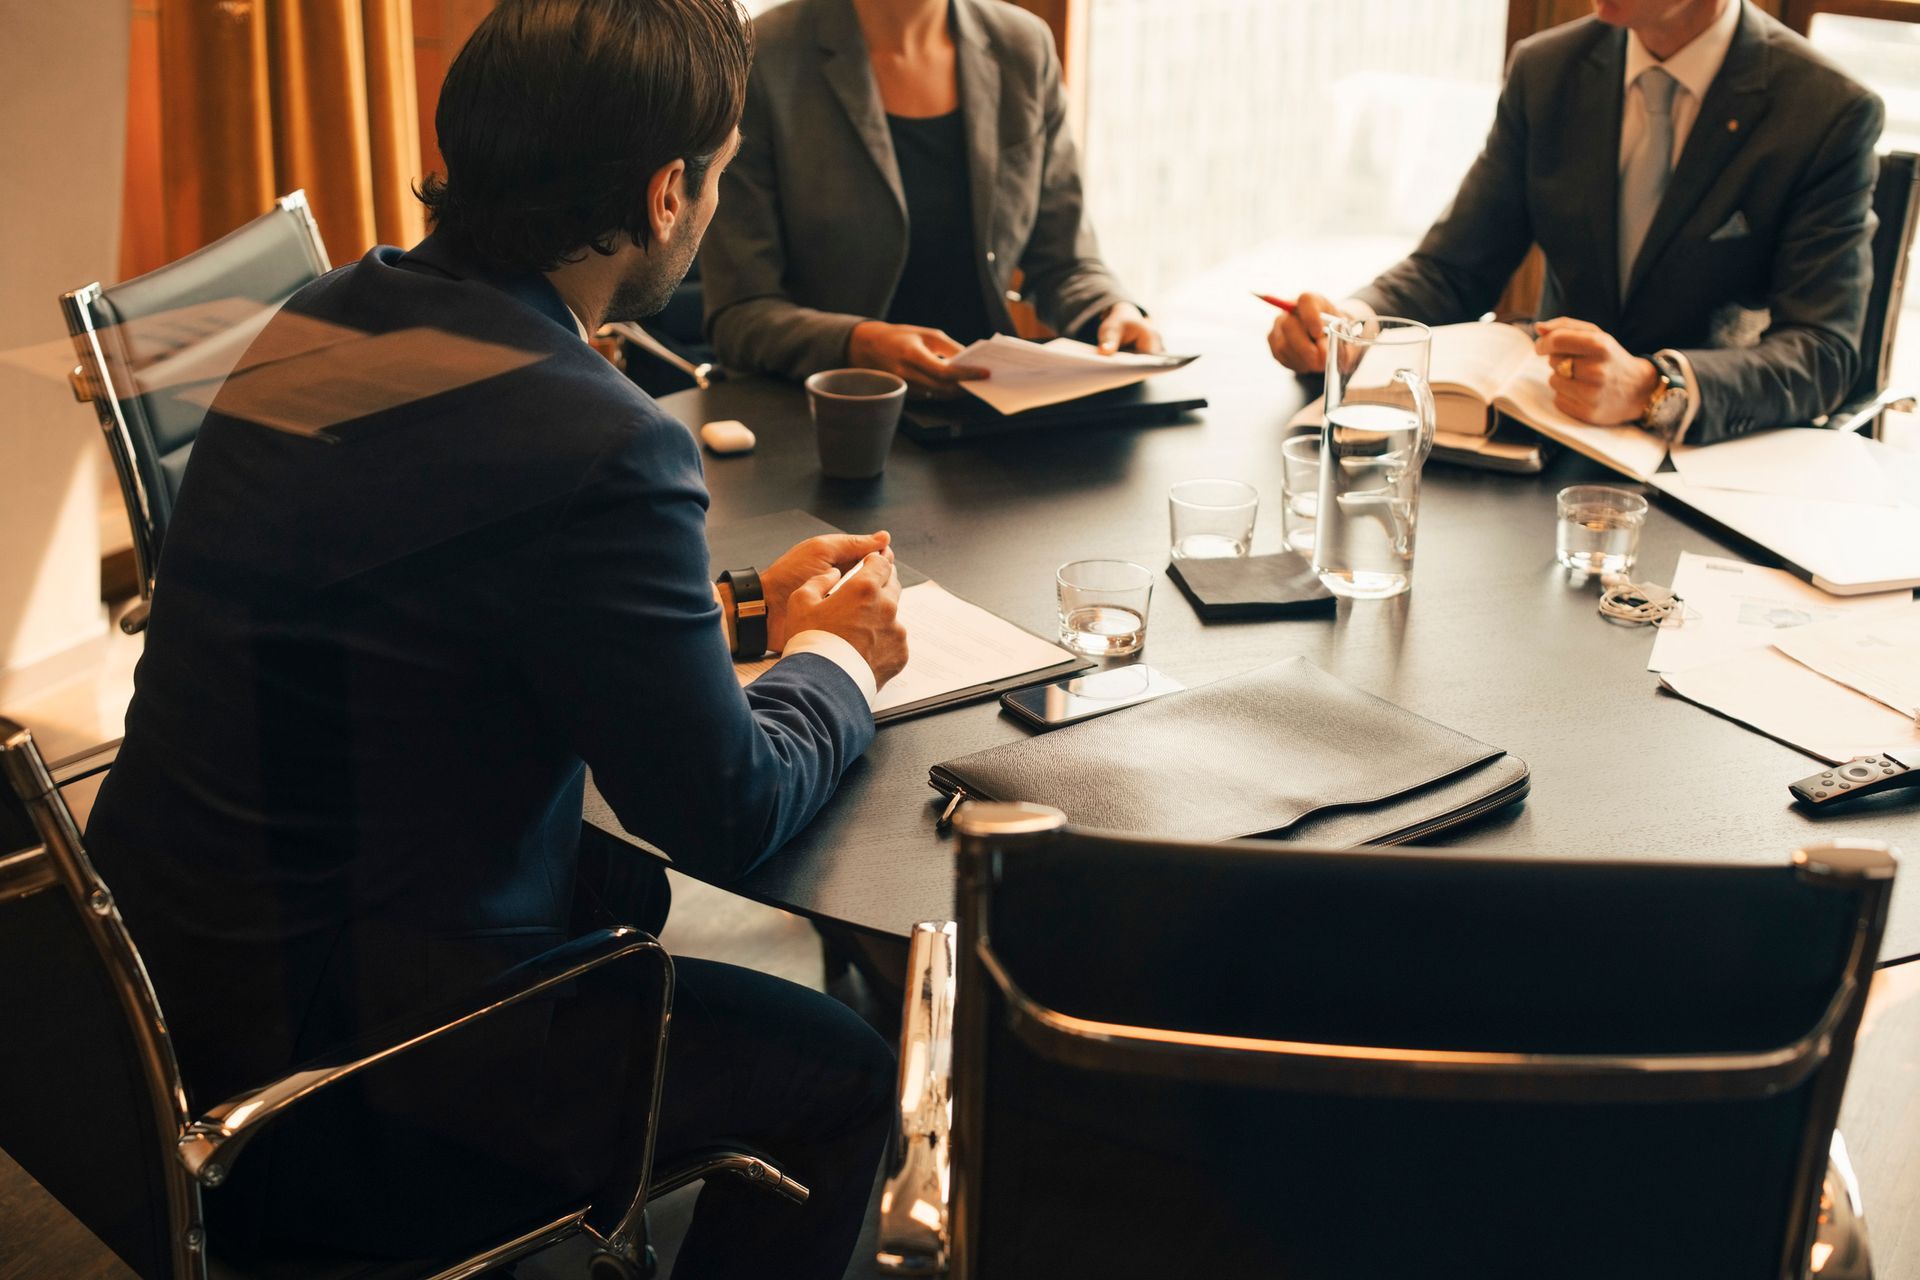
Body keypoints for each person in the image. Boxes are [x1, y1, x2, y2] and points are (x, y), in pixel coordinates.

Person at [81, 2, 908, 1276]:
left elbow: (425, 597)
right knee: (845, 1075)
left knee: (618, 886)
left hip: (155, 992)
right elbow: (729, 808)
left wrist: (744, 609)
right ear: (667, 190)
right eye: (720, 175)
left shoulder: (326, 319)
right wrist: (840, 659)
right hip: (344, 1073)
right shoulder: (606, 438)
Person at [1268, 0, 1883, 446]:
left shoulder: (1827, 110)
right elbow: (1454, 268)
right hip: (1545, 441)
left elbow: (1825, 351)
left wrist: (1653, 388)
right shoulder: (1547, 70)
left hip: (1708, 464)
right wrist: (1351, 328)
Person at [702, 0, 1162, 394]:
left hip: (988, 405)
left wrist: (1111, 311)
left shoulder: (1023, 46)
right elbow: (739, 314)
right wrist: (856, 343)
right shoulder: (763, 58)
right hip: (832, 420)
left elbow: (1066, 261)